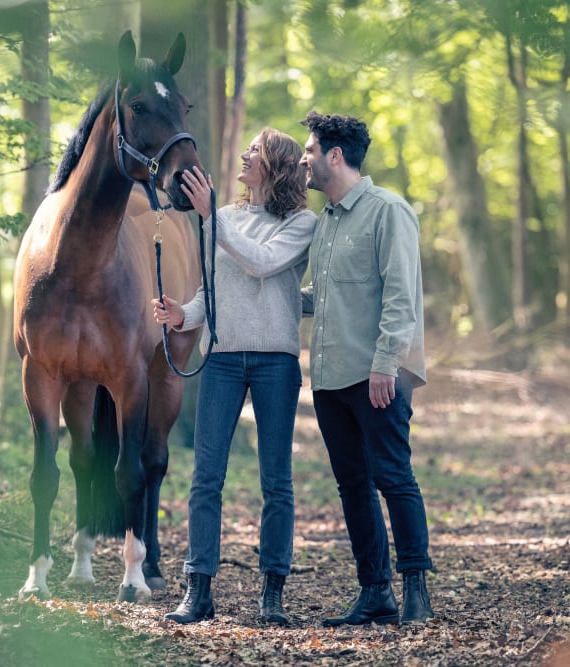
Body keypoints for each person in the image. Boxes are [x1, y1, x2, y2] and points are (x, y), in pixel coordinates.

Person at [152, 128, 316, 626]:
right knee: (206, 478)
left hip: (275, 362)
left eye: (254, 152)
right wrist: (184, 315)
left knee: (276, 482)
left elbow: (262, 263)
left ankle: (272, 595)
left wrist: (210, 220)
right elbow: (213, 289)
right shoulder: (221, 217)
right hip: (221, 359)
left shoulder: (302, 223)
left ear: (276, 166)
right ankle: (197, 590)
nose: (244, 157)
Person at [298, 111, 434, 626]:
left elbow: (401, 298)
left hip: (378, 376)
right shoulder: (326, 222)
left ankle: (416, 588)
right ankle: (375, 590)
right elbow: (323, 296)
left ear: (336, 155)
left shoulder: (387, 211)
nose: (304, 160)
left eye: (310, 151)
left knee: (394, 478)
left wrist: (385, 365)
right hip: (331, 379)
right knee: (352, 485)